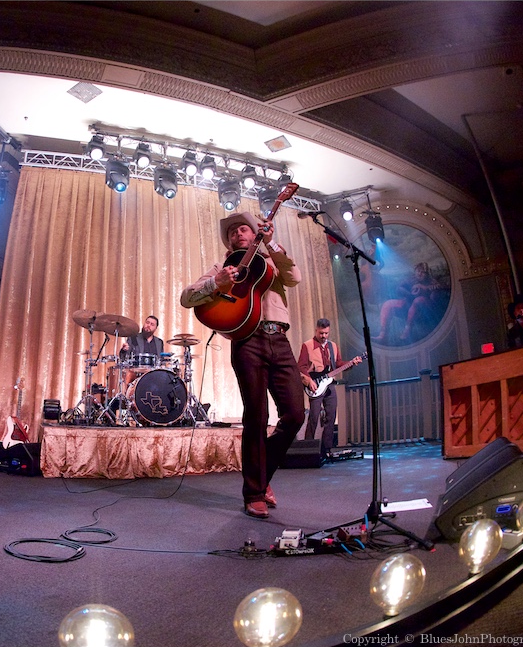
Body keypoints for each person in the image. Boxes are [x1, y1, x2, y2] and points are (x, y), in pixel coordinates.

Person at [180, 211, 305, 519]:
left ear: (256, 234)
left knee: (295, 414)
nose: (237, 233)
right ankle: (254, 493)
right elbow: (187, 298)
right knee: (257, 416)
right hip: (247, 341)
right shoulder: (223, 267)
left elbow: (295, 277)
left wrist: (273, 244)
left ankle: (262, 478)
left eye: (243, 229)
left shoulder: (271, 261)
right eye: (232, 231)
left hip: (280, 339)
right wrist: (215, 282)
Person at [297, 318, 362, 461]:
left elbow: (337, 364)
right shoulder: (307, 345)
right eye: (321, 333)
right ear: (316, 330)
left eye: (326, 333)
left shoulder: (333, 346)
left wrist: (351, 363)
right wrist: (308, 381)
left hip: (330, 384)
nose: (324, 336)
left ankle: (326, 450)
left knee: (331, 416)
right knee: (314, 416)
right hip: (315, 384)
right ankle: (307, 448)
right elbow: (301, 366)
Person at [374, 261, 447, 343]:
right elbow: (399, 288)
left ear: (427, 274)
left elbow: (442, 286)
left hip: (424, 310)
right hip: (408, 306)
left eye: (423, 272)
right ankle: (383, 334)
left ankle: (407, 331)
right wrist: (409, 294)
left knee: (418, 300)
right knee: (388, 304)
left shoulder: (430, 281)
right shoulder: (411, 279)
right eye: (418, 271)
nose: (420, 274)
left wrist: (425, 288)